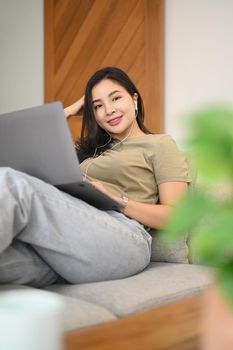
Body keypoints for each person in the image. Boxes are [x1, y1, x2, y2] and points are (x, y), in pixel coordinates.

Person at [0, 67, 191, 287]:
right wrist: (69, 111)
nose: (108, 110)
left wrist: (117, 201)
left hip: (127, 237)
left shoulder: (160, 144)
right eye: (98, 106)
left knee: (12, 184)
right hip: (78, 234)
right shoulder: (91, 151)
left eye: (116, 98)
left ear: (134, 99)